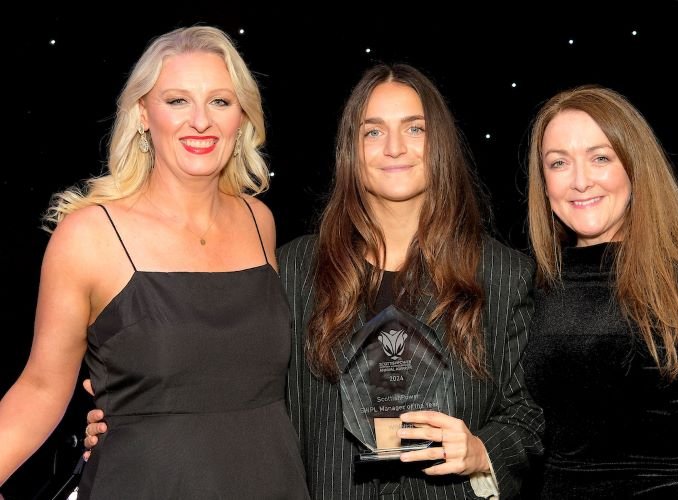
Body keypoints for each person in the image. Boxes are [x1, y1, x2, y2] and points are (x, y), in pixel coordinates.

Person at [83, 62, 544, 498]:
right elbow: (237, 378)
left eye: (415, 128)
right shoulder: (295, 268)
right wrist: (133, 407)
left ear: (439, 142)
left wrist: (483, 453)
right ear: (351, 149)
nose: (395, 147)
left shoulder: (503, 273)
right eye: (373, 131)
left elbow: (526, 415)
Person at [0, 26, 309, 499]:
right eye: (177, 101)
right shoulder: (89, 235)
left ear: (242, 116)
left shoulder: (259, 221)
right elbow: (40, 388)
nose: (200, 121)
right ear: (143, 113)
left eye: (220, 102)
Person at [521, 84, 678, 498]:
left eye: (600, 158)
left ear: (634, 166)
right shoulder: (524, 292)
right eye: (558, 163)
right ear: (544, 181)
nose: (580, 181)